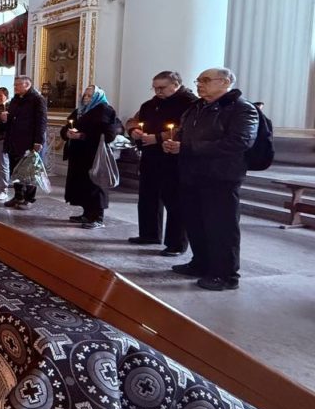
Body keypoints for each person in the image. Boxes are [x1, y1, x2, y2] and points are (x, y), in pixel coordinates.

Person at [163, 67, 258, 291]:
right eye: (198, 80)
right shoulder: (197, 106)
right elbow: (185, 133)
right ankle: (201, 263)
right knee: (195, 223)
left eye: (205, 80)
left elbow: (240, 142)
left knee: (221, 227)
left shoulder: (242, 109)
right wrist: (175, 143)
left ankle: (225, 275)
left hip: (221, 177)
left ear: (225, 82)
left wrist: (188, 147)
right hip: (192, 175)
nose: (199, 84)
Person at [127, 71, 197, 255]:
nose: (157, 91)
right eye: (155, 88)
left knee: (174, 201)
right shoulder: (150, 104)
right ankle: (149, 234)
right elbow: (134, 120)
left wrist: (157, 138)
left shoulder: (190, 104)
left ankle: (176, 244)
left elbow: (186, 129)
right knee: (147, 197)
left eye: (162, 88)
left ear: (176, 84)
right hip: (150, 156)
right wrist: (134, 130)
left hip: (174, 158)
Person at [59, 86, 122, 229]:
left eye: (90, 96)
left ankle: (97, 217)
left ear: (98, 97)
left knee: (95, 185)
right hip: (78, 154)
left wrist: (83, 136)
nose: (86, 98)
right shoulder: (80, 111)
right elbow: (67, 126)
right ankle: (87, 214)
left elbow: (109, 135)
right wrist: (67, 133)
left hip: (94, 155)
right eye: (85, 95)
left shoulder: (105, 110)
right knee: (82, 185)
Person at [3, 75, 48, 209]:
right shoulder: (15, 100)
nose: (15, 87)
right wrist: (6, 118)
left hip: (28, 141)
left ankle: (28, 199)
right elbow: (13, 118)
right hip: (14, 141)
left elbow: (41, 122)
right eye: (15, 84)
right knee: (15, 170)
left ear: (27, 85)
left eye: (18, 84)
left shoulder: (37, 99)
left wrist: (38, 141)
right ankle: (18, 196)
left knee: (29, 171)